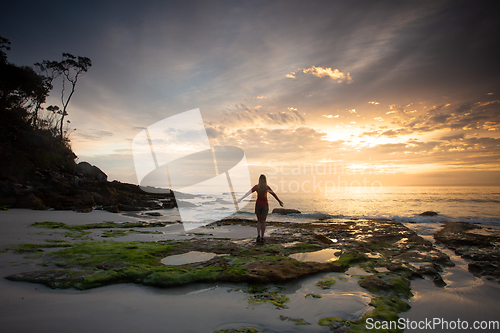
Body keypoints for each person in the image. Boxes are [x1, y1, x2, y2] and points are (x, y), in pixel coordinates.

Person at [238, 174, 283, 243]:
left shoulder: (257, 187)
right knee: (263, 221)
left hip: (258, 205)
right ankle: (262, 237)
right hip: (265, 206)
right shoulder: (266, 187)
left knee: (259, 221)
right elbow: (273, 194)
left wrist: (241, 199)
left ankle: (258, 235)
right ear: (265, 180)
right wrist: (279, 201)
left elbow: (248, 192)